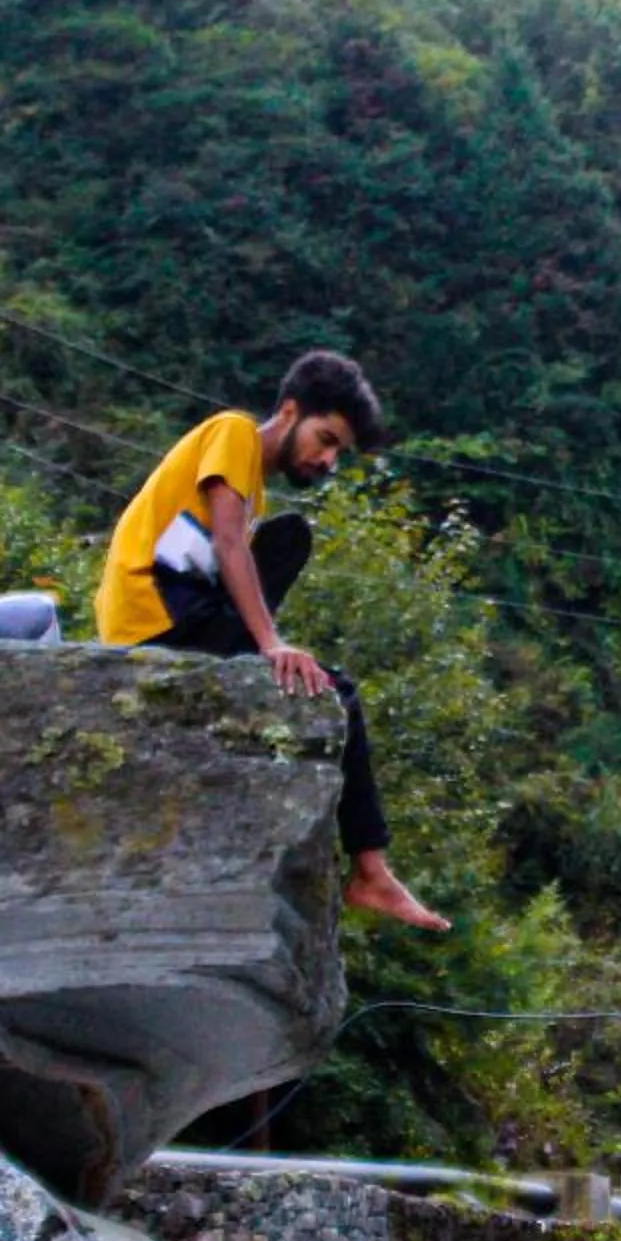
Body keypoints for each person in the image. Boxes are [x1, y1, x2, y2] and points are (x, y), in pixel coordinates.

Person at [95, 349, 449, 932]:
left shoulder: (254, 494)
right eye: (325, 439)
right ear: (288, 412)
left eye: (338, 452)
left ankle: (372, 871)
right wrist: (270, 644)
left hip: (186, 612)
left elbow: (234, 549)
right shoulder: (234, 433)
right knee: (334, 691)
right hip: (157, 617)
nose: (327, 460)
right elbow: (229, 544)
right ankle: (372, 873)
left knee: (289, 538)